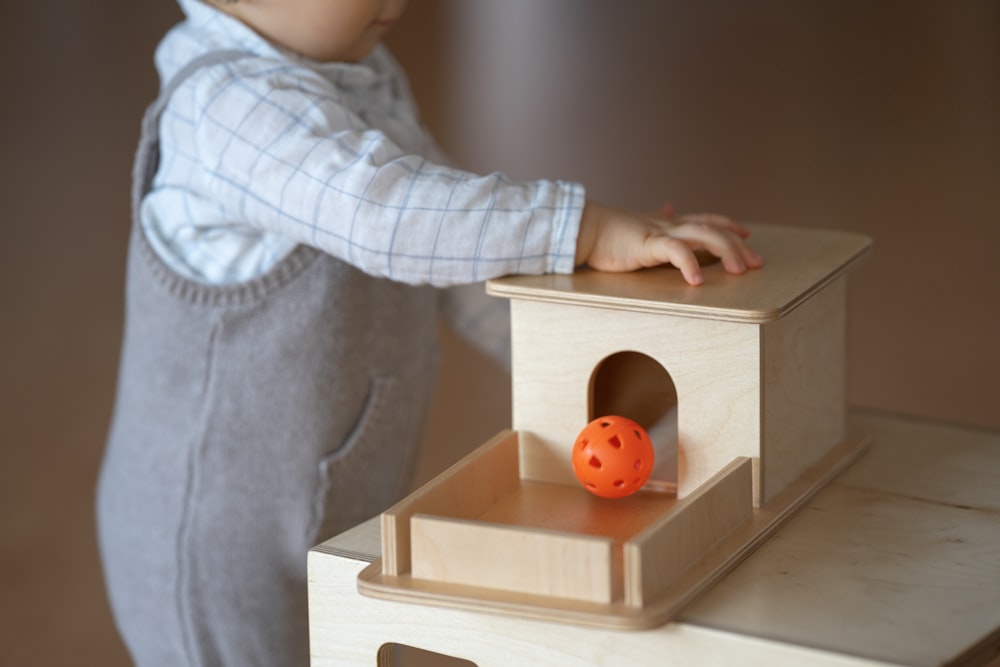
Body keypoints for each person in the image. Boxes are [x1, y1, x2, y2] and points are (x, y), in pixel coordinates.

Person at [97, 0, 763, 665]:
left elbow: (454, 255)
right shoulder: (225, 104)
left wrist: (587, 375)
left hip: (328, 499)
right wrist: (577, 227)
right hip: (212, 541)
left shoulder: (356, 70)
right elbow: (388, 216)